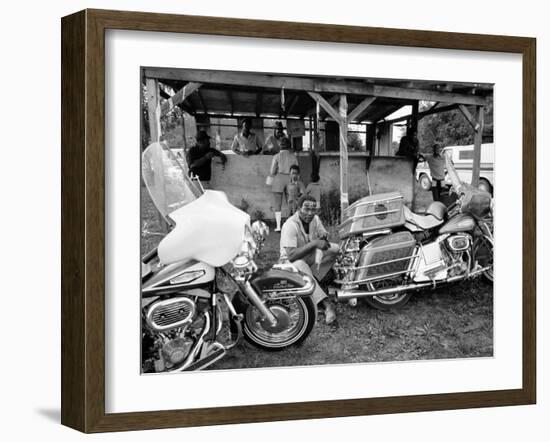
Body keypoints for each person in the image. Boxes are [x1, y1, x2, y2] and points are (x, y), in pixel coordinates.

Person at [279, 194, 338, 325]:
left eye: (313, 209)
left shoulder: (315, 219)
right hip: (288, 264)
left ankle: (314, 279)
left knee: (336, 249)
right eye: (306, 208)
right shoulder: (290, 225)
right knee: (299, 264)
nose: (310, 213)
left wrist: (323, 237)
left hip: (308, 257)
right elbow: (291, 256)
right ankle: (326, 303)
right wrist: (315, 244)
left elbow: (323, 237)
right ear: (298, 208)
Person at [267, 136, 298, 231]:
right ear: (289, 146)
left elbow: (272, 171)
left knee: (278, 203)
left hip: (279, 178)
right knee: (291, 201)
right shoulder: (293, 156)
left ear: (280, 146)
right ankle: (292, 224)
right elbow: (296, 170)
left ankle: (278, 226)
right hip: (290, 178)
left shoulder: (276, 156)